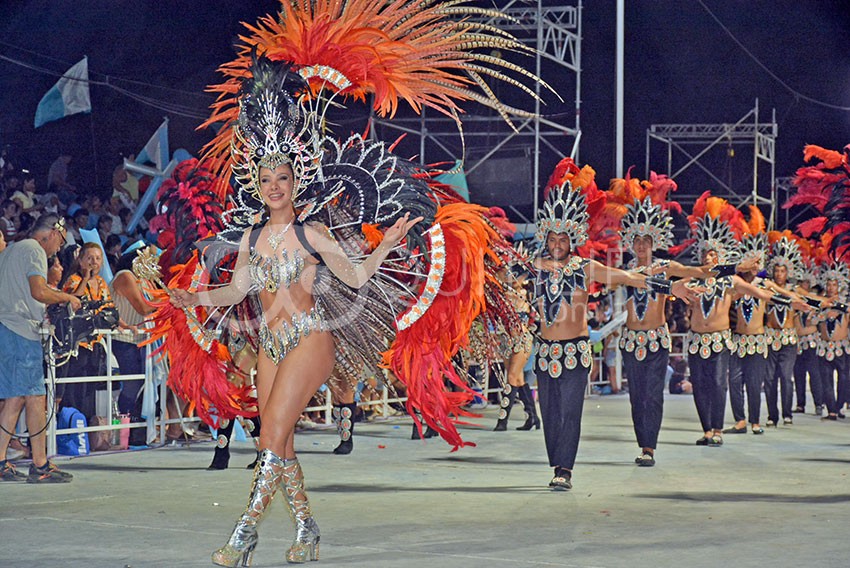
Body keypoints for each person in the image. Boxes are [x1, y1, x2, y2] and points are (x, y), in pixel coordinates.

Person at [531, 168, 696, 490]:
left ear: (573, 239)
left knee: (569, 412)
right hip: (543, 351)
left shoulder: (585, 267)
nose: (557, 244)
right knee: (550, 415)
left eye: (563, 239)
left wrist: (668, 287)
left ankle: (565, 469)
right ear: (545, 238)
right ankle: (557, 461)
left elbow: (629, 278)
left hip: (575, 351)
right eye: (552, 238)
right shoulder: (534, 266)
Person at [684, 194, 807, 446]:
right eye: (705, 254)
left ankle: (720, 429)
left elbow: (762, 294)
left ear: (721, 258)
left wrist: (792, 301)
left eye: (713, 255)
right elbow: (677, 279)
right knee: (700, 386)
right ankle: (707, 430)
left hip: (722, 340)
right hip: (697, 340)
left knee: (720, 384)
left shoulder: (732, 281)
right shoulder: (694, 280)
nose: (708, 258)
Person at [607, 173, 711, 466]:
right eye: (637, 241)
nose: (641, 246)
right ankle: (643, 442)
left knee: (653, 394)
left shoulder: (666, 268)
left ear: (654, 242)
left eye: (646, 241)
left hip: (655, 341)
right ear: (631, 243)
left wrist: (731, 267)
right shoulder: (625, 272)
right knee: (636, 397)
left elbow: (699, 272)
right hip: (630, 340)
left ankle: (649, 448)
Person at [0, 214, 80, 483]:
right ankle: (40, 464)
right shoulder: (34, 250)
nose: (59, 249)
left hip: (7, 327)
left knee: (15, 398)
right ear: (52, 233)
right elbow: (39, 291)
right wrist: (67, 296)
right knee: (35, 397)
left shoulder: (12, 249)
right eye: (60, 241)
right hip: (21, 330)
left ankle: (0, 461)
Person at [59, 242, 112, 420]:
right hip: (77, 344)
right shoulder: (73, 280)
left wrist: (126, 326)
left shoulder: (102, 283)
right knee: (75, 389)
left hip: (96, 343)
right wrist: (85, 279)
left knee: (90, 390)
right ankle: (72, 427)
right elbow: (72, 302)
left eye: (97, 258)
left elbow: (108, 308)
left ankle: (87, 430)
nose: (93, 262)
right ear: (81, 261)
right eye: (89, 258)